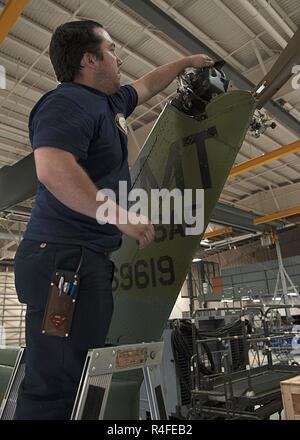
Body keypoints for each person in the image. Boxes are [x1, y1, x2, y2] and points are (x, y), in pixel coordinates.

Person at [14, 20, 214, 420]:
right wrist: (117, 215)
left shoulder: (111, 103)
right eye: (112, 49)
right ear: (89, 59)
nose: (119, 57)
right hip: (61, 259)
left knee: (80, 374)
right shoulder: (66, 102)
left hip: (87, 259)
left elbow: (149, 83)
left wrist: (188, 62)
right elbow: (52, 169)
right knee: (55, 384)